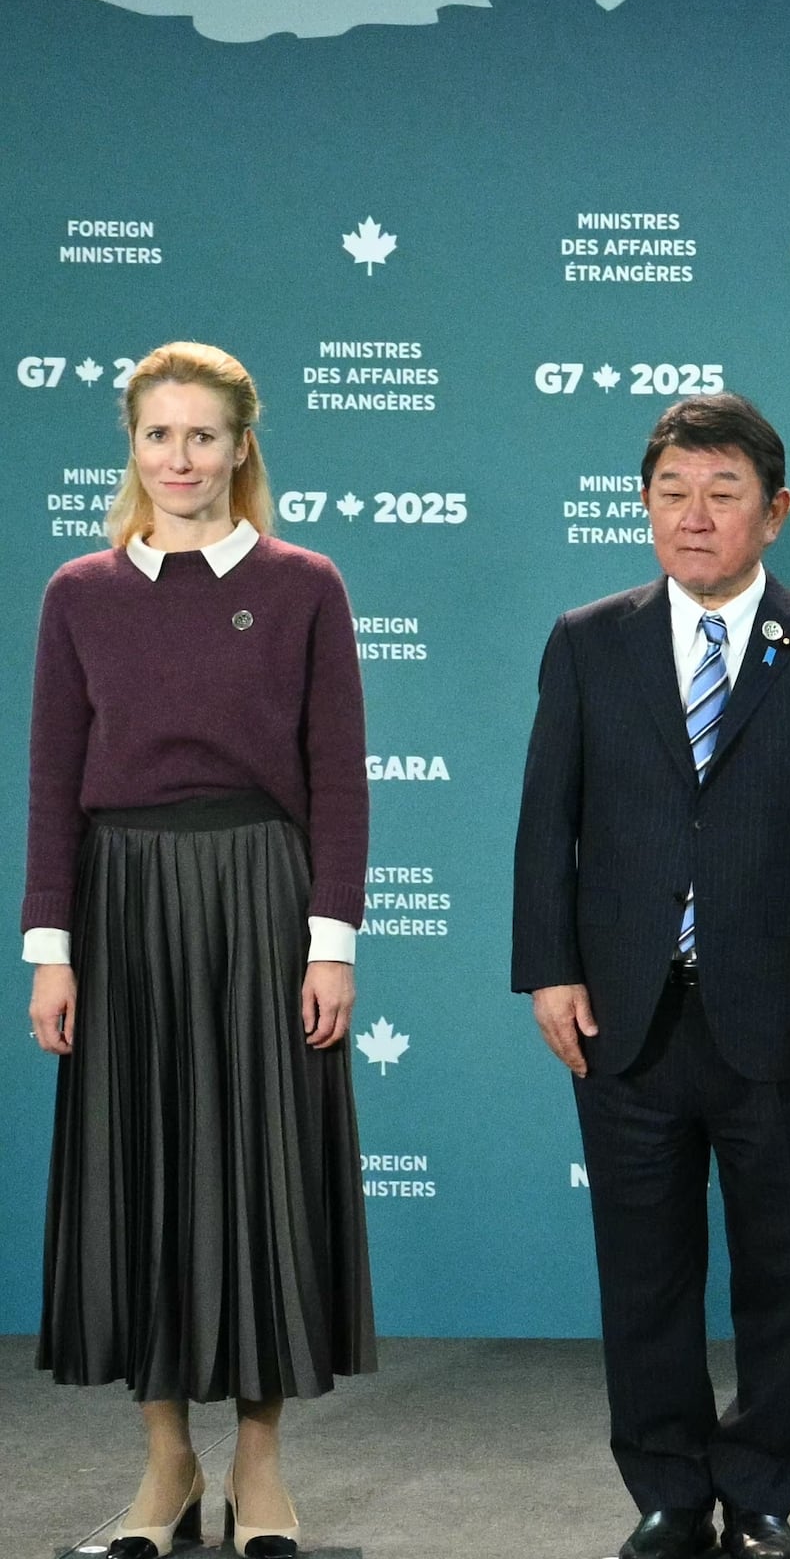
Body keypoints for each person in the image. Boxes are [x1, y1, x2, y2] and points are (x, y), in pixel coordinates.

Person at [512, 395, 790, 1559]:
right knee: (643, 1272)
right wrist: (548, 970)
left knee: (783, 1270)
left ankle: (766, 1486)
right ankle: (670, 1490)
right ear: (643, 507)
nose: (695, 516)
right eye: (673, 493)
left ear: (773, 513)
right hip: (625, 1015)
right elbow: (550, 825)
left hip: (786, 1020)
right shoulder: (589, 640)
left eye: (723, 493)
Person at [24, 341, 373, 1559]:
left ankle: (261, 1467)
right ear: (134, 446)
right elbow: (53, 783)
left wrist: (330, 944)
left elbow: (339, 781)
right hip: (122, 910)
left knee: (264, 1177)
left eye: (203, 437)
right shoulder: (79, 592)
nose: (181, 459)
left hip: (262, 899)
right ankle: (165, 1464)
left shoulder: (303, 584)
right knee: (144, 1175)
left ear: (240, 449)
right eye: (158, 435)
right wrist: (49, 949)